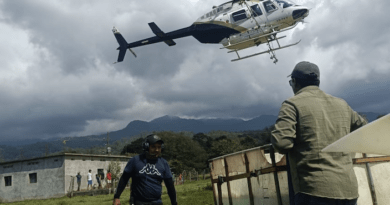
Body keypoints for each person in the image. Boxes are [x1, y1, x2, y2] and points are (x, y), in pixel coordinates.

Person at [271, 61, 367, 205]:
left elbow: (282, 143)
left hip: (313, 190)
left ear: (295, 82)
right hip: (349, 189)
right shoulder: (342, 104)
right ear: (317, 82)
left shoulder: (292, 104)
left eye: (291, 83)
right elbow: (364, 129)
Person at [113, 134, 178, 205]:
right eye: (153, 147)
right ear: (146, 147)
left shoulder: (163, 163)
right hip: (138, 202)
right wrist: (117, 197)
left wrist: (174, 202)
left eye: (159, 147)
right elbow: (124, 179)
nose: (157, 150)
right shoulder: (135, 161)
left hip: (157, 202)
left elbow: (170, 186)